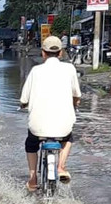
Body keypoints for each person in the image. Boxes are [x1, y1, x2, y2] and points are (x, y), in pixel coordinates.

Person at [19, 35, 82, 191]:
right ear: (60, 53)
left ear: (43, 53)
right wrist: (75, 103)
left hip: (37, 127)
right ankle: (61, 167)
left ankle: (33, 179)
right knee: (68, 139)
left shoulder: (35, 71)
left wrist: (23, 104)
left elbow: (23, 98)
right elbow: (77, 95)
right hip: (63, 127)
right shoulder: (69, 69)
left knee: (31, 143)